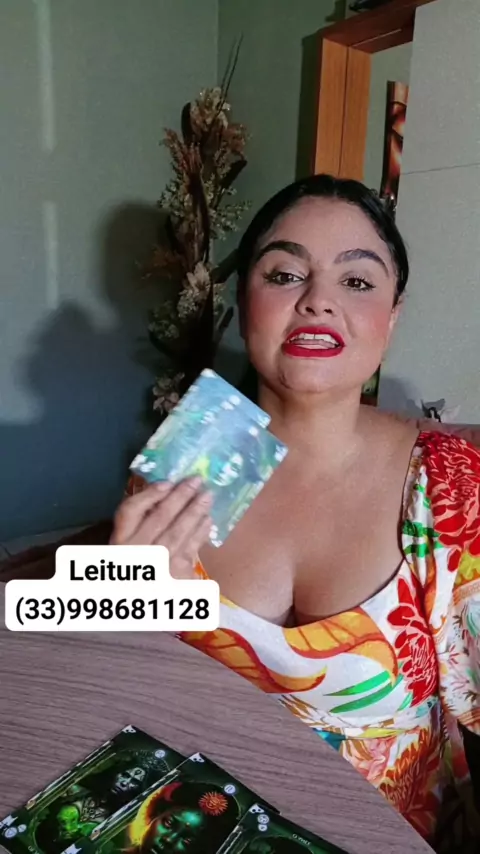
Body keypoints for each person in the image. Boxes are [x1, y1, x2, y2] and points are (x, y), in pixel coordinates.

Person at [110, 175, 480, 852]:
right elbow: (114, 678)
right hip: (199, 822)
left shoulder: (447, 483)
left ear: (392, 316)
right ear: (242, 299)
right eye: (285, 274)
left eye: (357, 282)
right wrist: (122, 591)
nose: (318, 301)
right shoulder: (194, 453)